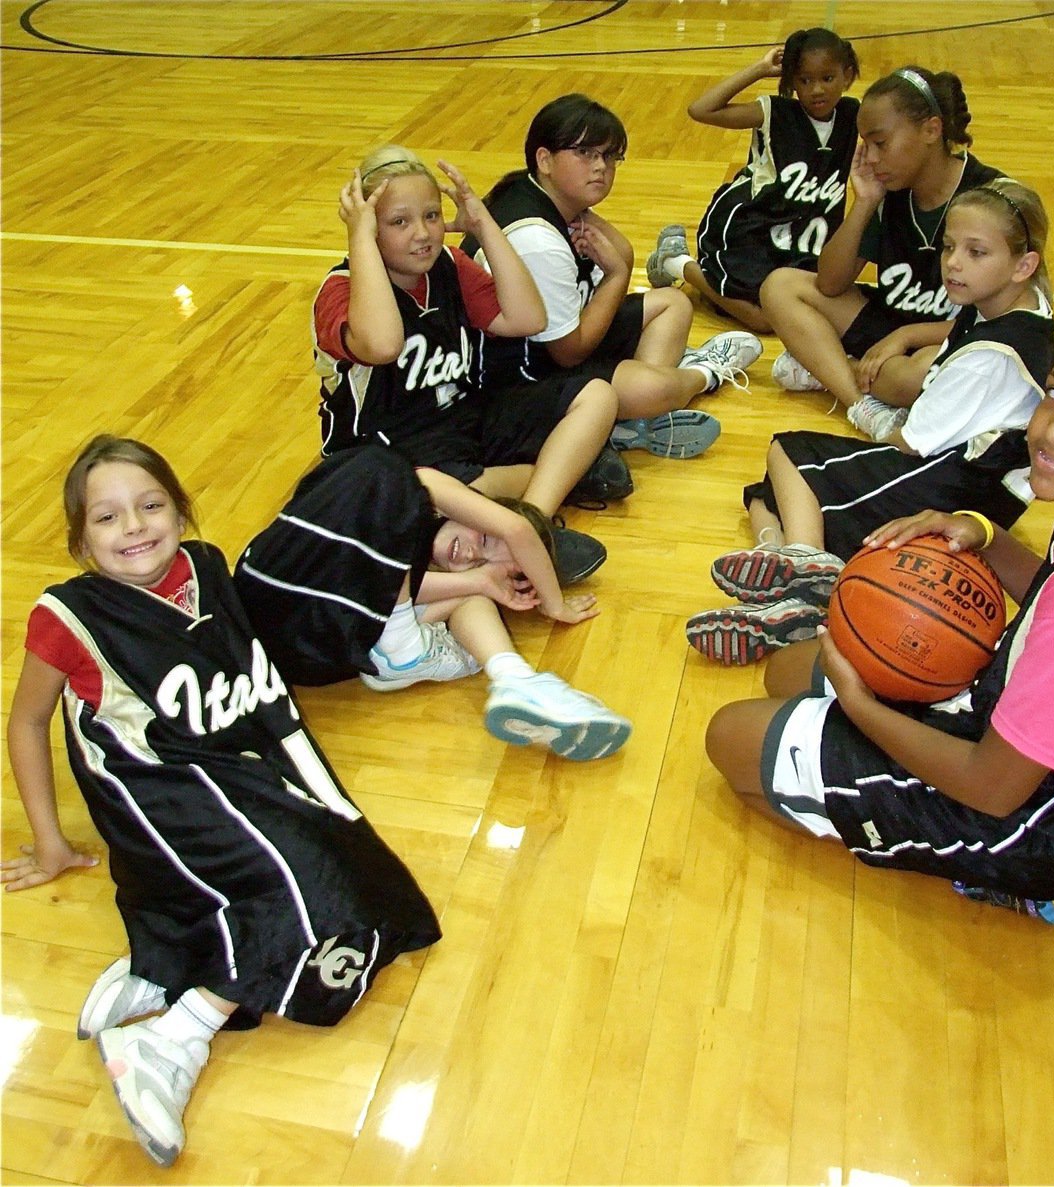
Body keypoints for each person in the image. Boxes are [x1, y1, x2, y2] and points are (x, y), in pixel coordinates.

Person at [3, 436, 442, 1167]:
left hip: (229, 770)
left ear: (180, 509)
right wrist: (50, 841)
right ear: (80, 540)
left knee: (369, 880)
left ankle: (168, 964)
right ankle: (172, 1037)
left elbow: (248, 682)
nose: (135, 526)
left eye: (150, 506)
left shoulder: (204, 566)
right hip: (156, 798)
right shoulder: (66, 615)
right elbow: (24, 722)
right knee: (312, 897)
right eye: (108, 518)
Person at [703, 305, 1054, 924]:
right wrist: (983, 535)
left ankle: (1012, 884)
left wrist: (865, 709)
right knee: (789, 670)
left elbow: (991, 787)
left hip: (1037, 827)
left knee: (730, 738)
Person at [688, 179, 1054, 662]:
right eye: (949, 247)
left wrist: (869, 413)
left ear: (1022, 265)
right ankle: (787, 587)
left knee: (790, 451)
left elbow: (907, 440)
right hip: (964, 479)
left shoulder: (990, 358)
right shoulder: (1013, 305)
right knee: (766, 494)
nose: (954, 262)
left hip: (952, 490)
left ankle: (805, 571)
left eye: (976, 252)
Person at [313, 146, 612, 584]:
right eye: (399, 222)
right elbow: (382, 344)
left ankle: (530, 520)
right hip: (394, 455)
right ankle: (548, 486)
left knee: (598, 394)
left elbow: (529, 318)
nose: (422, 234)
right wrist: (357, 240)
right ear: (367, 228)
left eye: (431, 216)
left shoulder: (450, 264)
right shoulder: (339, 291)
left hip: (465, 424)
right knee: (427, 508)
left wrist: (484, 224)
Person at [234, 442, 631, 761]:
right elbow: (516, 527)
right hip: (266, 604)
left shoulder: (408, 559)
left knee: (463, 587)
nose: (472, 554)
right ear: (481, 509)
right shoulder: (413, 492)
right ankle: (420, 652)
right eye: (487, 539)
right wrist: (553, 604)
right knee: (382, 469)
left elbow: (377, 588)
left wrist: (481, 582)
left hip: (311, 653)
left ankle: (515, 679)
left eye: (488, 562)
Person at [460, 93, 763, 462]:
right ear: (544, 159)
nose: (600, 167)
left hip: (559, 341)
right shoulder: (537, 240)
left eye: (608, 156)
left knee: (672, 304)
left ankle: (625, 426)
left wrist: (601, 238)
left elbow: (624, 252)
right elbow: (569, 352)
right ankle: (706, 372)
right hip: (522, 381)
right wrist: (617, 277)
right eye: (585, 153)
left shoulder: (547, 194)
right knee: (655, 387)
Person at [760, 65, 1002, 421]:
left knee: (918, 379)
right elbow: (830, 283)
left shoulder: (992, 199)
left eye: (881, 143)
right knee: (779, 285)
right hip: (891, 324)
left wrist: (906, 335)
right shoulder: (889, 189)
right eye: (866, 146)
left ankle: (828, 368)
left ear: (931, 130)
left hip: (953, 336)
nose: (871, 158)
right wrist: (864, 203)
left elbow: (1008, 320)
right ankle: (863, 407)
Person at [646, 28, 860, 334]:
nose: (816, 90)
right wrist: (760, 69)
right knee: (766, 319)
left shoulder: (855, 115)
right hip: (751, 227)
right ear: (791, 81)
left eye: (827, 78)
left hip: (802, 236)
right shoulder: (774, 112)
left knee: (814, 307)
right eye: (804, 80)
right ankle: (678, 263)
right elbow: (701, 110)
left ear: (847, 76)